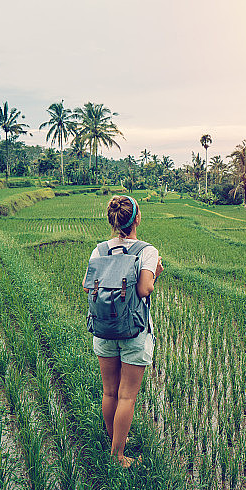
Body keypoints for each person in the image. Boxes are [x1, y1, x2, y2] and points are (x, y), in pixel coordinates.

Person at [84, 195, 163, 467]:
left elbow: (87, 286)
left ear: (113, 221)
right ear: (137, 219)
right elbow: (144, 289)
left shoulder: (100, 250)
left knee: (109, 392)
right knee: (127, 395)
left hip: (104, 329)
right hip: (133, 331)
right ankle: (118, 455)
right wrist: (156, 273)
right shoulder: (146, 251)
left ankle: (115, 440)